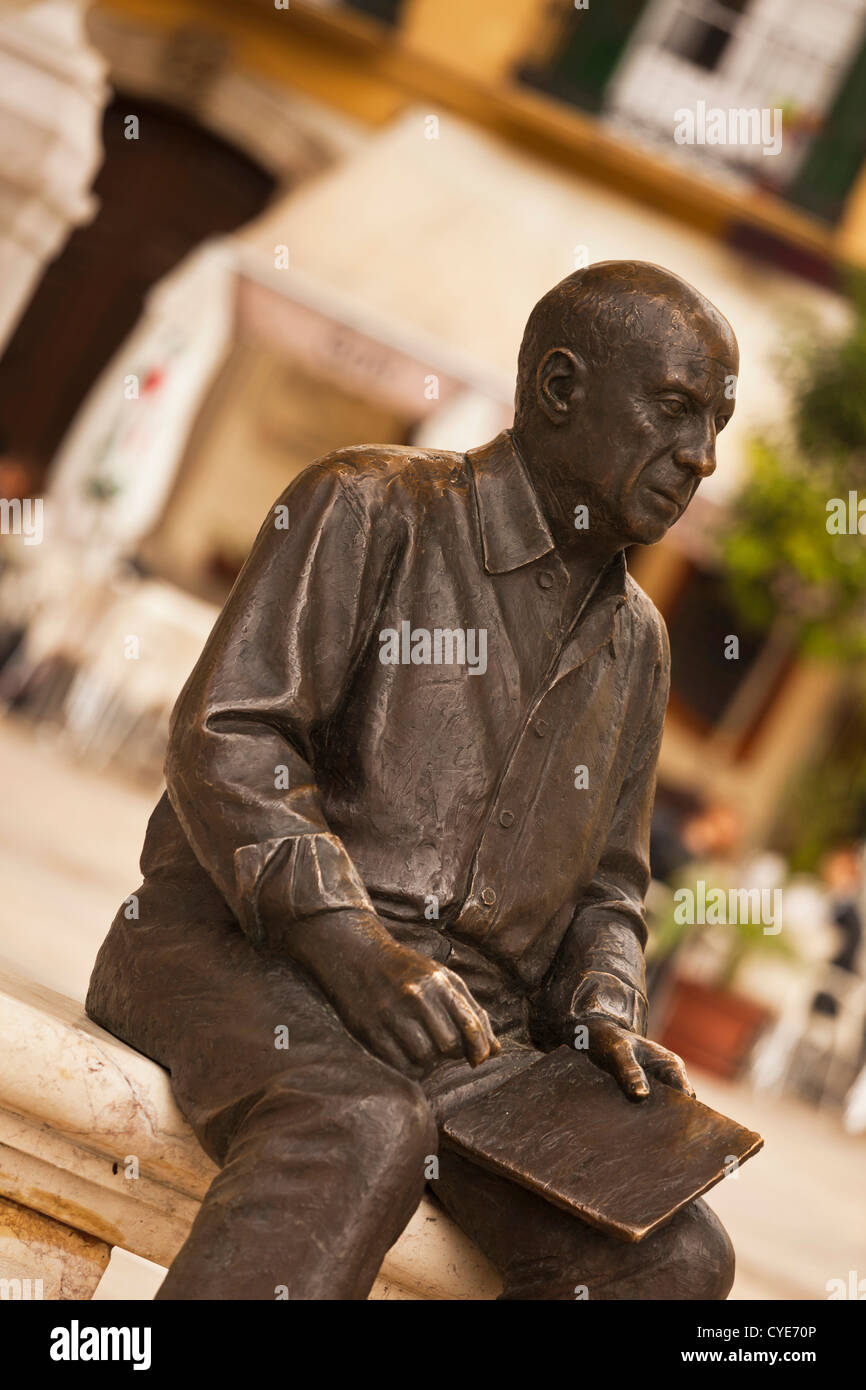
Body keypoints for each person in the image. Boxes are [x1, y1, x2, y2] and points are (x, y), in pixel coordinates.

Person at [87, 261, 739, 1300]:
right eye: (672, 411)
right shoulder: (368, 504)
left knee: (675, 1257)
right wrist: (352, 946)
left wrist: (604, 1007)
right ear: (559, 389)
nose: (699, 457)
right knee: (358, 1121)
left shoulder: (637, 640)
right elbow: (228, 737)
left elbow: (608, 891)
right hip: (235, 952)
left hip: (473, 1035)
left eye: (715, 423)